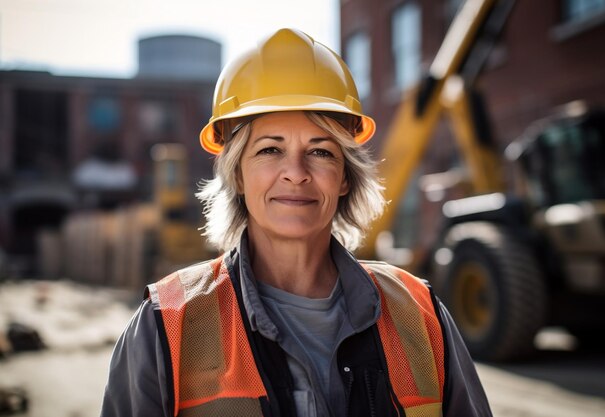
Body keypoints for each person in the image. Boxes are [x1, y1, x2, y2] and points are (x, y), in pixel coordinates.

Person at [101, 28, 492, 417]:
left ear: (344, 177)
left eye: (320, 152)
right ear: (237, 175)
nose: (296, 172)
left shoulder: (420, 313)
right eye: (270, 149)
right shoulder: (168, 324)